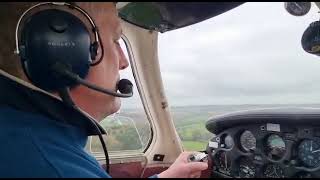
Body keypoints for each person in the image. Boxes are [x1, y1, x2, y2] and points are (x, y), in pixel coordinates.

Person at [0, 2, 208, 178]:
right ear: (60, 52)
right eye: (116, 40)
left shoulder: (25, 135)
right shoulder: (53, 166)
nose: (124, 62)